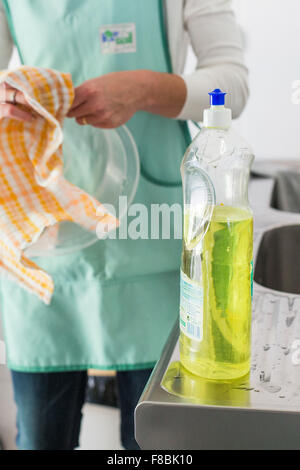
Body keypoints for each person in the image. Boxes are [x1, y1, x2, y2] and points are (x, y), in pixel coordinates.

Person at [0, 0, 248, 450]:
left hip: (152, 242)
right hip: (44, 245)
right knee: (40, 439)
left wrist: (145, 89)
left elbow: (232, 88)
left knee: (156, 444)